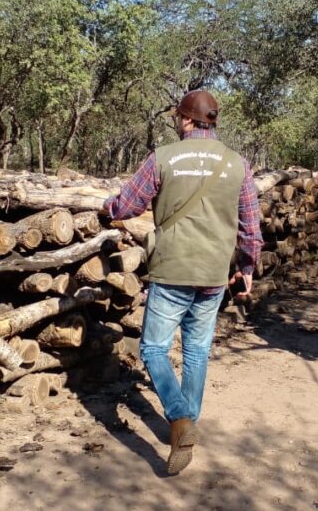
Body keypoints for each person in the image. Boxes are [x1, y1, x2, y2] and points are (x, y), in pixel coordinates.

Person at [103, 89, 262, 474]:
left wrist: (106, 207)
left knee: (154, 349)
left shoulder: (163, 157)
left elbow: (127, 206)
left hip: (172, 268)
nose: (177, 122)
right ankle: (187, 422)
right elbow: (251, 226)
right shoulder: (237, 164)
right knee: (196, 351)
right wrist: (248, 267)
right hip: (213, 273)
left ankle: (178, 418)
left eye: (179, 117)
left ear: (187, 120)